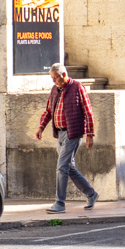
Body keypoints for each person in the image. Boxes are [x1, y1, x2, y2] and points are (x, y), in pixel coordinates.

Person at [35, 62, 98, 214]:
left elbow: (88, 112)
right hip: (60, 134)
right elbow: (49, 111)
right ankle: (91, 194)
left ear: (64, 75)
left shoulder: (78, 87)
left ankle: (60, 203)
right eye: (52, 78)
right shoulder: (54, 90)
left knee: (62, 167)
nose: (54, 81)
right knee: (69, 168)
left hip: (73, 134)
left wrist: (90, 135)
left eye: (56, 77)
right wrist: (41, 127)